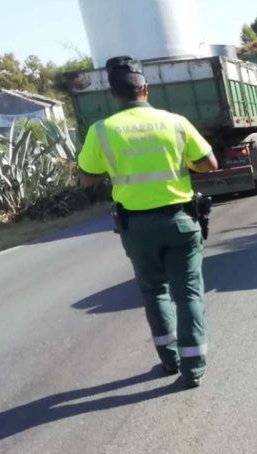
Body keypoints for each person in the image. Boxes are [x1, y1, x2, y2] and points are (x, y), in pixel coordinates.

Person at [78, 56, 218, 389]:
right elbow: (208, 163)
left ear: (114, 95)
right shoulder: (176, 122)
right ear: (146, 89)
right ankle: (193, 367)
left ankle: (169, 360)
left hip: (137, 229)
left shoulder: (102, 131)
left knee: (154, 291)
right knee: (188, 295)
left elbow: (86, 179)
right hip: (181, 221)